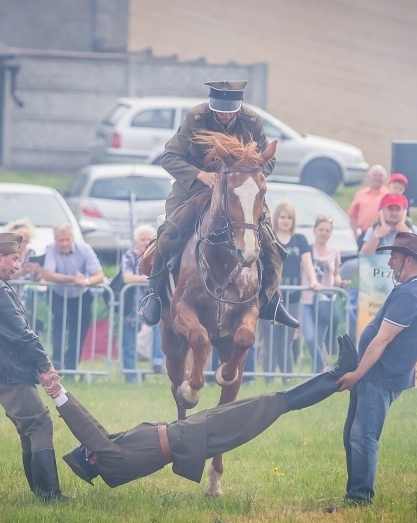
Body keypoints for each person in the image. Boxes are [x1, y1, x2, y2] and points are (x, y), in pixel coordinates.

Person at [44, 335, 359, 488]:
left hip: (192, 434)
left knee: (273, 403)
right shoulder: (110, 463)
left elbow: (93, 428)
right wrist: (57, 396)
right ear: (92, 459)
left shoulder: (109, 452)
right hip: (195, 437)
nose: (90, 443)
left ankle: (334, 374)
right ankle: (336, 376)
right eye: (87, 450)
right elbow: (86, 429)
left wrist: (64, 391)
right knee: (273, 403)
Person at [138, 80, 299, 330]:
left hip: (239, 193)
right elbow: (169, 156)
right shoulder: (196, 116)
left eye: (230, 109)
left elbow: (269, 160)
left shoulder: (252, 120)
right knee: (168, 234)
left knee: (270, 243)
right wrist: (199, 174)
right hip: (195, 190)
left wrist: (248, 176)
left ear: (239, 106)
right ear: (212, 105)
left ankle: (271, 300)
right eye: (220, 109)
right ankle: (154, 295)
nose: (224, 114)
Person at [334, 232, 417, 508]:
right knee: (353, 434)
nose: (390, 262)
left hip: (380, 376)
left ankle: (360, 498)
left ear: (409, 260)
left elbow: (382, 340)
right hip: (374, 374)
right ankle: (354, 492)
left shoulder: (413, 294)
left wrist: (357, 374)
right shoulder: (408, 289)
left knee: (363, 435)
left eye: (394, 256)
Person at [0, 232, 68, 502]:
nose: (18, 264)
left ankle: (41, 492)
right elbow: (23, 335)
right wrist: (46, 366)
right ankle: (49, 495)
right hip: (9, 371)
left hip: (2, 369)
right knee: (39, 424)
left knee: (29, 426)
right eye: (15, 258)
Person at [260, 203, 320, 383]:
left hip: (292, 299)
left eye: (289, 218)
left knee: (286, 342)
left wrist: (313, 280)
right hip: (269, 299)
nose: (285, 221)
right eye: (282, 217)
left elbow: (307, 263)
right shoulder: (267, 238)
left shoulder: (300, 240)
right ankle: (267, 381)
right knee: (270, 342)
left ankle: (286, 380)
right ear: (276, 218)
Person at [40, 223, 105, 371]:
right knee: (59, 325)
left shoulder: (85, 249)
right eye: (60, 240)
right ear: (55, 239)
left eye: (67, 240)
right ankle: (56, 365)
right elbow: (48, 273)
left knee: (78, 331)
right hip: (58, 294)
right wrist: (72, 280)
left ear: (73, 238)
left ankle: (71, 368)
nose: (64, 244)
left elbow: (99, 275)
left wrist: (85, 281)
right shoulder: (51, 249)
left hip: (81, 295)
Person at [301, 215, 350, 373]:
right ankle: (323, 368)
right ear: (315, 230)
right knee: (310, 338)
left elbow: (336, 274)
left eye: (327, 230)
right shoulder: (306, 249)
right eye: (321, 229)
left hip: (325, 300)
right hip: (307, 299)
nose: (324, 233)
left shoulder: (335, 252)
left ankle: (315, 376)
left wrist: (341, 283)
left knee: (319, 339)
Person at [120, 224, 165, 382]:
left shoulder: (159, 255)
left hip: (153, 300)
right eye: (142, 239)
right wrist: (151, 279)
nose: (146, 242)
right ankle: (130, 374)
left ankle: (158, 363)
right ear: (135, 241)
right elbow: (127, 277)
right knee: (129, 339)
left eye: (149, 239)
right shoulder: (130, 256)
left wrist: (143, 279)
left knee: (159, 330)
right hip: (132, 303)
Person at [347, 165, 388, 245]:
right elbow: (353, 216)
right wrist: (355, 234)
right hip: (363, 235)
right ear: (369, 177)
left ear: (384, 178)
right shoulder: (360, 194)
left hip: (382, 235)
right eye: (375, 175)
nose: (377, 178)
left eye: (380, 175)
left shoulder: (388, 194)